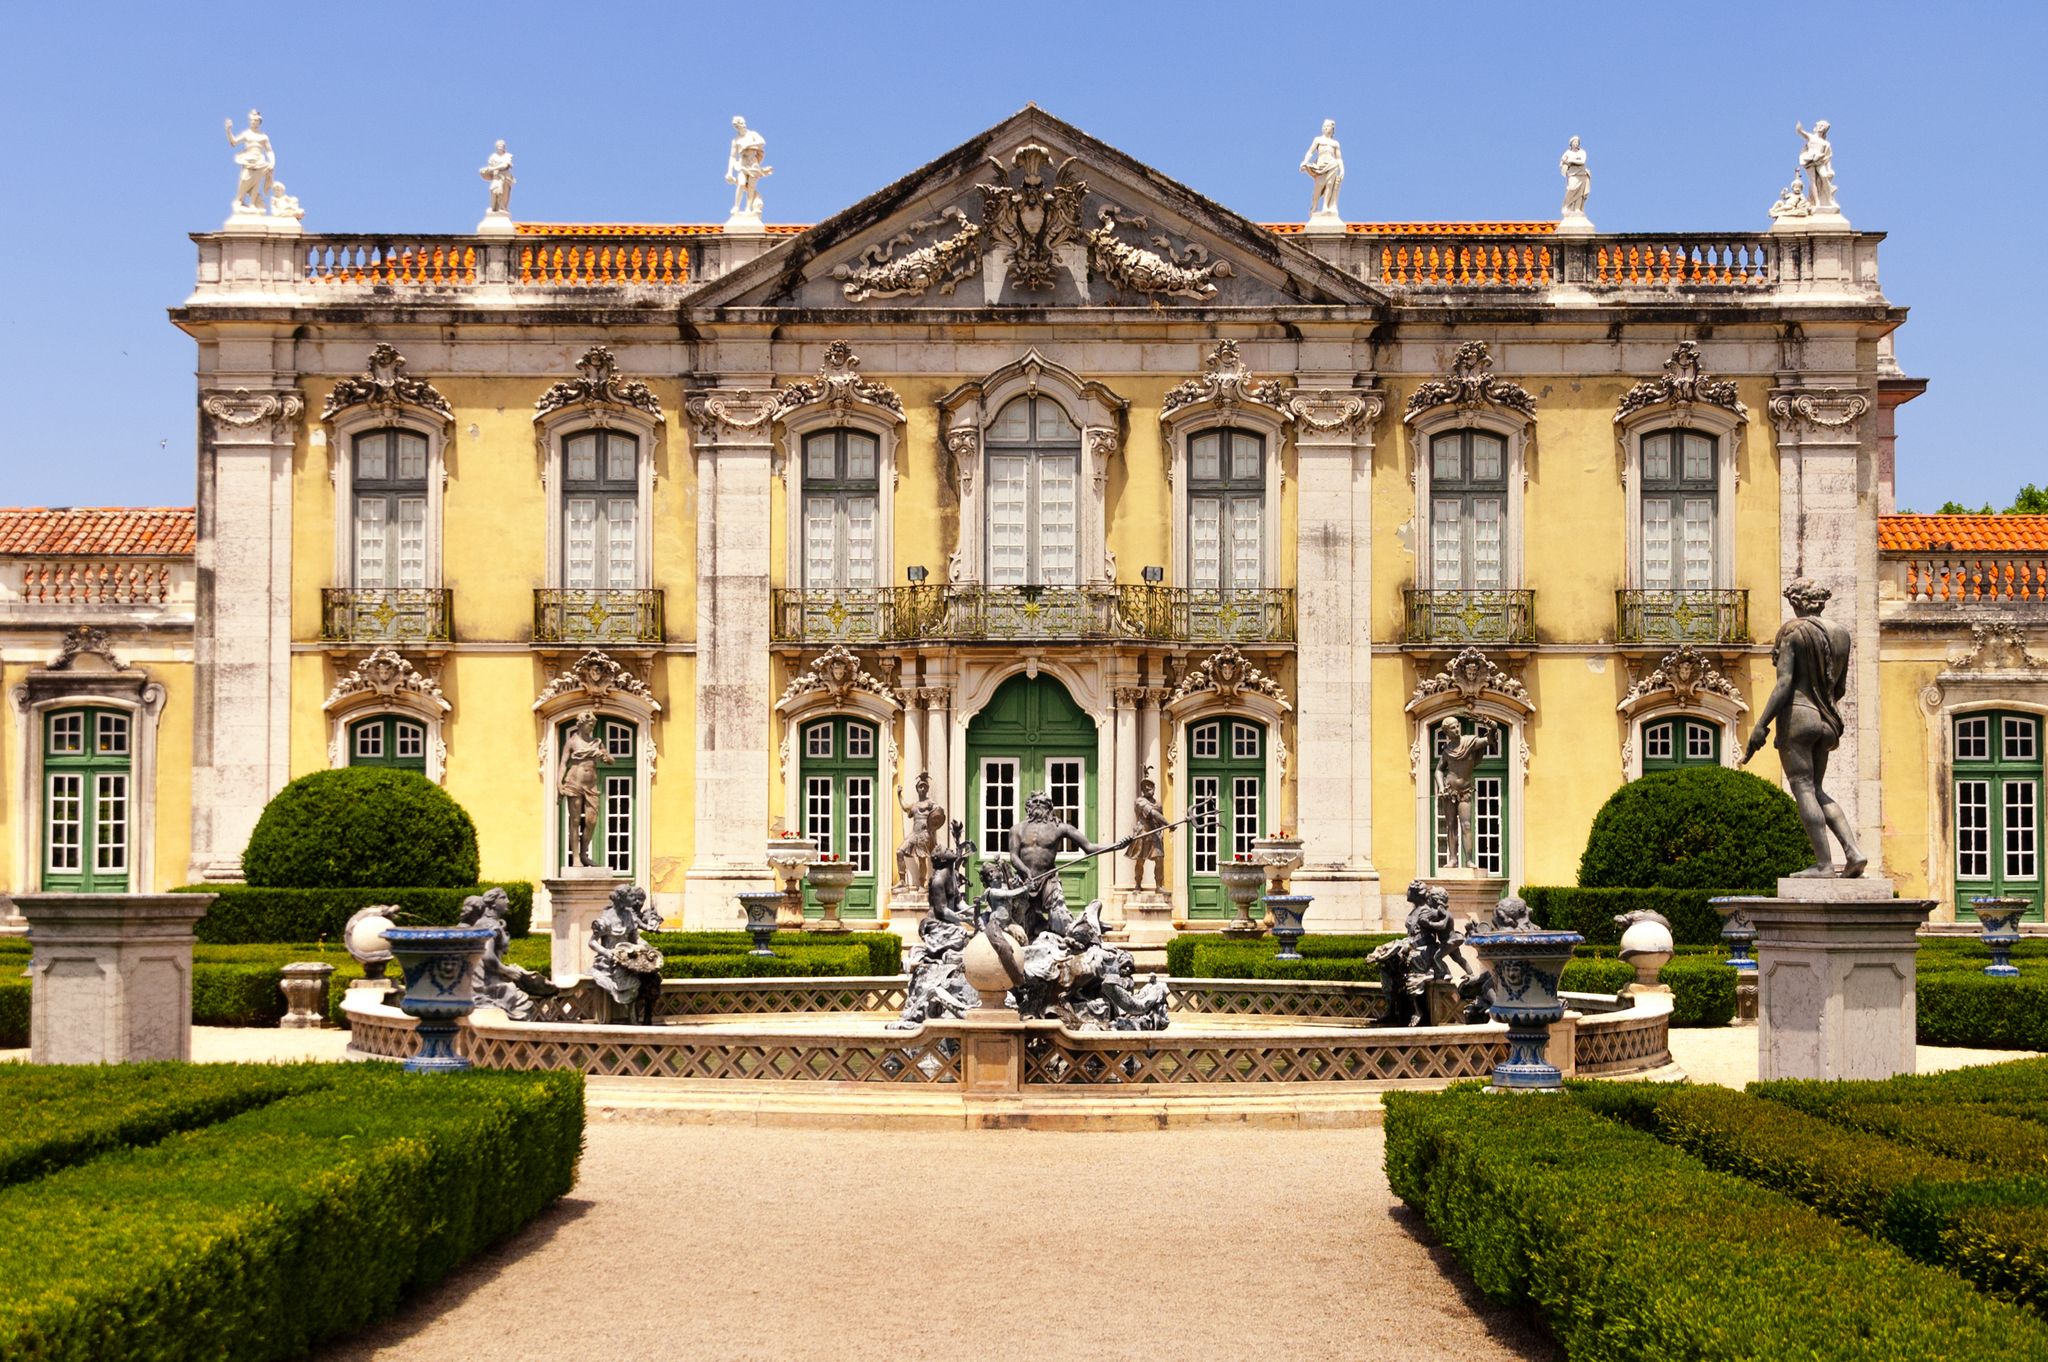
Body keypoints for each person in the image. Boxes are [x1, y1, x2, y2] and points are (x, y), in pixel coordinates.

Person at [1742, 578, 1866, 877]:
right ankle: (1853, 851)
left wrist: (1761, 725)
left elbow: (1784, 683)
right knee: (1818, 789)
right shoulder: (1842, 635)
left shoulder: (1793, 631)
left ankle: (1824, 865)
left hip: (1799, 715)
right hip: (1828, 720)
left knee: (1803, 788)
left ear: (1797, 601)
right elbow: (1839, 688)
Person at [1008, 789, 1113, 940]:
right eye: (1035, 801)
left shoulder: (1059, 828)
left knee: (1060, 922)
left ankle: (1089, 924)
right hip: (1024, 881)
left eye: (1042, 802)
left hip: (1048, 879)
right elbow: (1013, 856)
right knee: (1022, 930)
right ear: (1028, 805)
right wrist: (1025, 871)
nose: (1038, 805)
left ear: (1049, 807)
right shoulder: (1016, 829)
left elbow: (1089, 847)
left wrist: (1116, 845)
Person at [589, 884, 664, 1024]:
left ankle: (646, 1017)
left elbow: (635, 938)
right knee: (634, 983)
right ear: (621, 899)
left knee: (652, 977)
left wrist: (648, 948)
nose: (634, 899)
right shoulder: (606, 919)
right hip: (610, 962)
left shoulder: (628, 915)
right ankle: (632, 1018)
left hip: (629, 957)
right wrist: (606, 952)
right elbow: (592, 942)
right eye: (630, 896)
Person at [1434, 716, 1497, 871]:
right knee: (1450, 826)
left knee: (1466, 824)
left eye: (1457, 726)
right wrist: (1441, 787)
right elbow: (1439, 770)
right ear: (1447, 732)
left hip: (1465, 792)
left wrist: (1489, 723)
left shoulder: (1470, 742)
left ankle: (1469, 860)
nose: (1456, 729)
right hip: (1450, 792)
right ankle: (1453, 859)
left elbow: (1489, 738)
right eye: (1453, 728)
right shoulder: (1447, 751)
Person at [559, 712, 604, 868]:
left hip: (591, 785)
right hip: (574, 782)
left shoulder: (596, 742)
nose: (591, 728)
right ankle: (576, 858)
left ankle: (584, 854)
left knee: (592, 820)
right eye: (590, 725)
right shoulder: (572, 742)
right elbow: (564, 763)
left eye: (593, 725)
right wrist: (559, 783)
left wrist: (604, 755)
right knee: (575, 821)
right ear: (581, 724)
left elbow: (610, 760)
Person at [895, 771, 943, 890]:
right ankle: (902, 880)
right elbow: (905, 807)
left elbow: (939, 815)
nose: (922, 788)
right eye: (920, 786)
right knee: (899, 851)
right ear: (917, 789)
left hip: (924, 834)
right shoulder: (915, 805)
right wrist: (899, 795)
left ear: (927, 789)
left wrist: (932, 827)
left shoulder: (931, 803)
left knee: (922, 859)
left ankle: (922, 883)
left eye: (924, 787)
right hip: (914, 834)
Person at [225, 111, 274, 213]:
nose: (253, 122)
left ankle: (252, 203)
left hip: (260, 161)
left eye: (255, 120)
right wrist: (228, 131)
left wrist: (272, 162)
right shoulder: (246, 134)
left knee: (256, 182)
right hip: (248, 160)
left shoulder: (263, 136)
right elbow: (234, 142)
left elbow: (269, 150)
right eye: (251, 120)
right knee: (244, 179)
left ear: (259, 122)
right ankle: (239, 200)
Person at [1126, 774, 1168, 892]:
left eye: (1150, 786)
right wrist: (1169, 823)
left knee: (1159, 859)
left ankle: (1159, 885)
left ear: (1154, 787)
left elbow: (1159, 819)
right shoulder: (1140, 801)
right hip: (1142, 833)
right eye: (1145, 786)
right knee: (1140, 860)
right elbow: (1154, 814)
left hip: (1155, 834)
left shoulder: (1158, 803)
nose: (1147, 788)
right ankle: (1138, 884)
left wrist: (1162, 831)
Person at [726, 116, 772, 217]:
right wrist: (729, 172)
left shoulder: (752, 134)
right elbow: (732, 156)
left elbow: (762, 142)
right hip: (742, 165)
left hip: (753, 165)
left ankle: (748, 208)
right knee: (741, 184)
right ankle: (736, 206)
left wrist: (748, 145)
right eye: (739, 124)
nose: (743, 125)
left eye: (742, 123)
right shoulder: (736, 140)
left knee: (751, 187)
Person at [1299, 119, 1343, 219]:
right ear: (1323, 128)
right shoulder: (1318, 140)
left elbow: (1339, 158)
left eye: (1329, 127)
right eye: (1325, 126)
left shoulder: (1335, 143)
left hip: (1332, 165)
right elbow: (1310, 152)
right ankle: (1314, 207)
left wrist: (1342, 169)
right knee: (1318, 187)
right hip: (1320, 166)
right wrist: (1305, 161)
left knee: (1329, 186)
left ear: (1332, 130)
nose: (1327, 128)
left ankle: (1325, 207)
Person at [1795, 120, 1837, 213]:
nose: (1820, 127)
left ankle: (1829, 200)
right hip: (1809, 160)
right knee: (1813, 181)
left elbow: (1828, 157)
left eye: (1823, 126)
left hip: (1820, 161)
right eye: (1820, 125)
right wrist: (1799, 128)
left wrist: (1829, 169)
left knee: (1824, 177)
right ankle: (1817, 202)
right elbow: (1801, 132)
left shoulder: (1826, 143)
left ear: (1824, 130)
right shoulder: (1811, 137)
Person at [479, 139, 515, 216]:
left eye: (502, 146)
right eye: (498, 146)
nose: (500, 147)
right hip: (496, 177)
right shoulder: (493, 157)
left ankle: (502, 208)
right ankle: (494, 208)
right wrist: (485, 170)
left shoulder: (508, 156)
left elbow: (505, 165)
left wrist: (493, 168)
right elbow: (489, 167)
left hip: (505, 178)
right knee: (494, 190)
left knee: (504, 194)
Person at [1559, 137, 1591, 217]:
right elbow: (1562, 162)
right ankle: (1567, 207)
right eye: (1574, 142)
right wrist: (1566, 162)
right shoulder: (1567, 153)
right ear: (1571, 143)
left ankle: (1577, 209)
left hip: (1581, 173)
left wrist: (1571, 161)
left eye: (1577, 142)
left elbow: (1582, 161)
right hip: (1572, 174)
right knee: (1571, 188)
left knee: (1580, 192)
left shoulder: (1582, 152)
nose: (1576, 143)